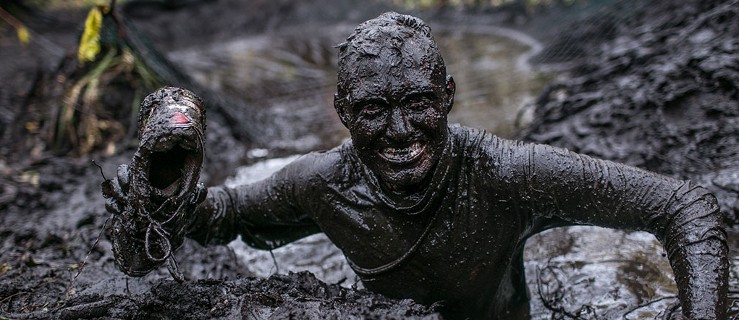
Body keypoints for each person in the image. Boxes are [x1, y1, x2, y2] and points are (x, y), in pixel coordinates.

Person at [103, 12, 728, 319]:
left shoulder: (509, 174)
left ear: (448, 98)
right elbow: (223, 217)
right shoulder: (323, 184)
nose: (400, 133)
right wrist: (159, 190)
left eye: (419, 105)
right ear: (344, 112)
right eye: (374, 110)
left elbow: (684, 205)